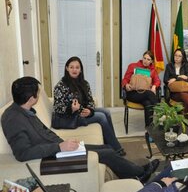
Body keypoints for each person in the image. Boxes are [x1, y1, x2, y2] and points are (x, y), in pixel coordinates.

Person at [1, 77, 159, 183]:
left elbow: (43, 132)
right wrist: (59, 147)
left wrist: (63, 143)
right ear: (31, 99)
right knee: (108, 153)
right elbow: (23, 154)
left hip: (60, 147)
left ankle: (134, 173)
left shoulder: (23, 109)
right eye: (37, 93)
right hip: (52, 156)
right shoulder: (13, 119)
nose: (38, 95)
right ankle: (139, 173)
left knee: (107, 148)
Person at [53, 56, 126, 156]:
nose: (74, 70)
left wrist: (90, 110)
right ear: (67, 68)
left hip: (81, 112)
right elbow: (57, 108)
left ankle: (110, 143)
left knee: (106, 112)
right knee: (101, 117)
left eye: (77, 67)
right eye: (71, 67)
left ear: (81, 69)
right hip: (69, 118)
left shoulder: (84, 83)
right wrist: (71, 109)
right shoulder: (60, 86)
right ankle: (116, 148)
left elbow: (90, 100)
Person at [122, 51, 161, 128]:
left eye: (148, 59)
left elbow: (157, 81)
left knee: (148, 103)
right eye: (144, 58)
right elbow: (125, 79)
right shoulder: (133, 66)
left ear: (151, 61)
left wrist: (154, 86)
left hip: (145, 95)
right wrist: (126, 84)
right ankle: (161, 112)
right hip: (133, 93)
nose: (145, 61)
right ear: (142, 58)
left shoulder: (153, 70)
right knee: (149, 93)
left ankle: (149, 129)